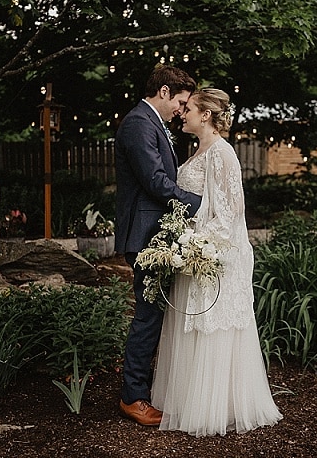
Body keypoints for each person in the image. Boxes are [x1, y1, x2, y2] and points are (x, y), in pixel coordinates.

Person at [151, 88, 283, 436]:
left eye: (190, 108)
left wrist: (197, 244)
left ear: (206, 115)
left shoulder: (222, 154)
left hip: (214, 254)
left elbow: (231, 212)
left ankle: (217, 407)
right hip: (193, 251)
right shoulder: (198, 152)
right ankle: (189, 401)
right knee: (193, 327)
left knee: (215, 325)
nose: (183, 113)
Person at [114, 65, 202, 426]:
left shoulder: (150, 123)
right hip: (144, 232)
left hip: (155, 232)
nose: (182, 109)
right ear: (163, 91)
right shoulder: (138, 123)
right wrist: (199, 203)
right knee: (148, 317)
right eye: (181, 101)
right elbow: (155, 181)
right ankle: (132, 397)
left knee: (154, 315)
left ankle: (142, 389)